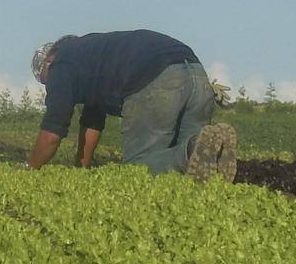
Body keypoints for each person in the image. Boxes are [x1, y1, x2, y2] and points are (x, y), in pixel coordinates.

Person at [28, 30, 237, 180]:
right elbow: (92, 123)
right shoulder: (91, 58)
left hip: (157, 79)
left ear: (48, 62)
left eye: (46, 82)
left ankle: (192, 151)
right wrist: (81, 170)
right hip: (197, 75)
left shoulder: (61, 64)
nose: (50, 87)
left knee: (139, 167)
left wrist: (31, 169)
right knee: (196, 168)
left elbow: (52, 133)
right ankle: (210, 150)